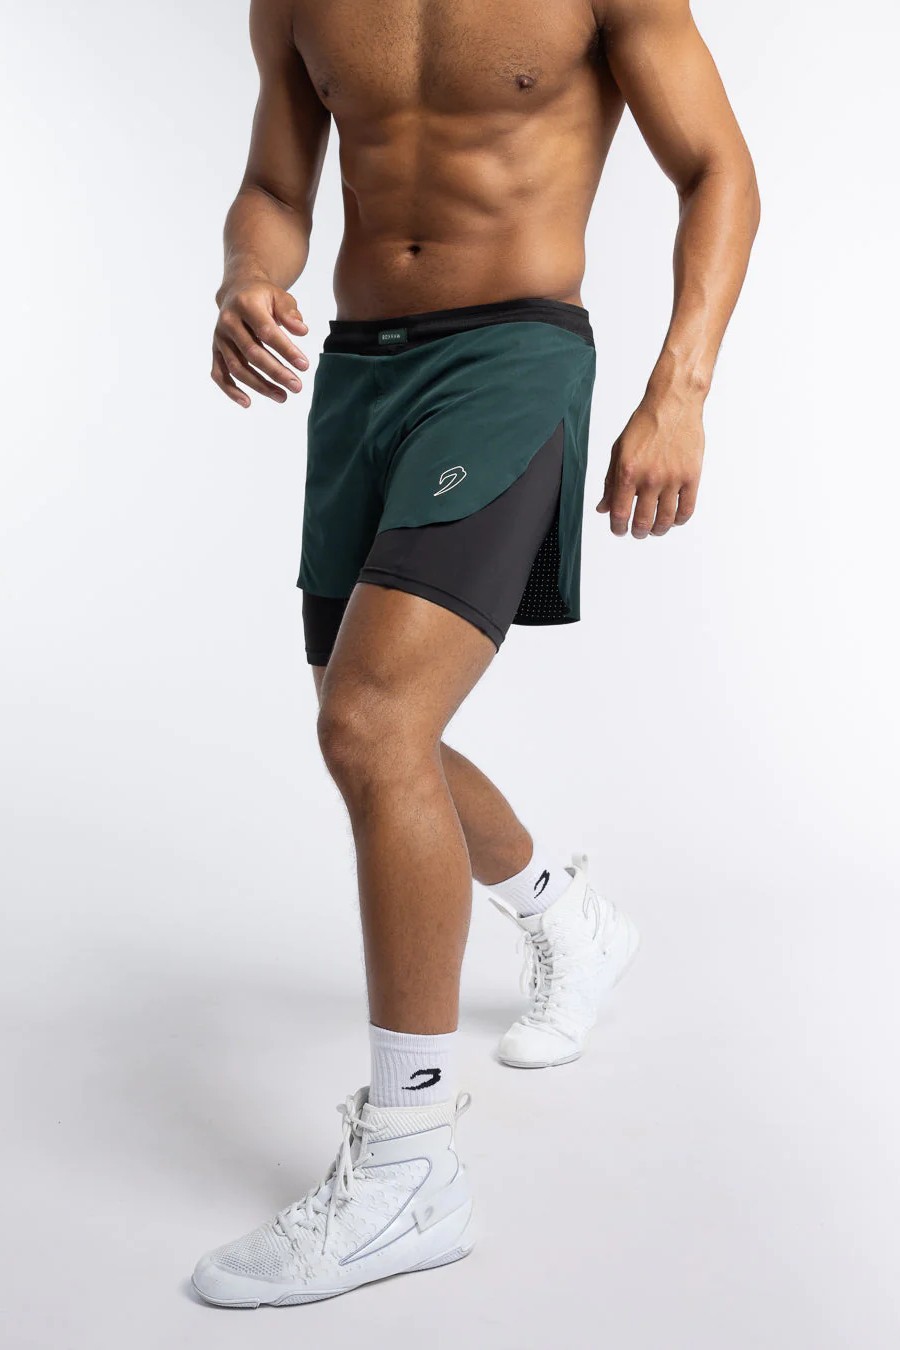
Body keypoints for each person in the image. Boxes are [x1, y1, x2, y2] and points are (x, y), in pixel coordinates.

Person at [193, 0, 759, 1308]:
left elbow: (718, 167)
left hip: (511, 353)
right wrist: (243, 275)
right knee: (373, 724)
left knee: (371, 723)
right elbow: (277, 185)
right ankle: (566, 916)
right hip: (360, 374)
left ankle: (409, 1165)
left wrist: (678, 391)